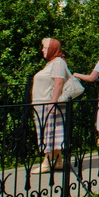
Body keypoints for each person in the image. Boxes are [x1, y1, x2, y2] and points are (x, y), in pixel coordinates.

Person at [31, 37, 70, 174]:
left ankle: (47, 162)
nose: (42, 50)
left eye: (45, 48)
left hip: (48, 104)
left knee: (48, 132)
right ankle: (58, 160)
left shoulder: (58, 63)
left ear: (53, 49)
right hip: (42, 104)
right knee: (52, 132)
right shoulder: (52, 63)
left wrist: (53, 103)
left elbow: (59, 82)